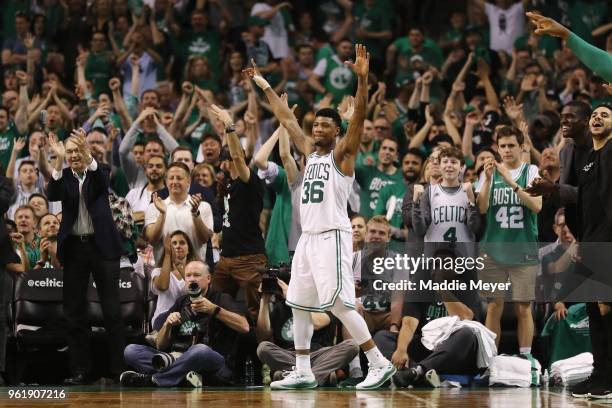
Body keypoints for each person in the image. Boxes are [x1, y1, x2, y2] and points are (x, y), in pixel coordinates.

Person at [247, 44, 396, 390]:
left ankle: (378, 362)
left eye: (326, 126)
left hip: (333, 237)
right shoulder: (309, 154)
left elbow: (357, 119)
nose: (317, 130)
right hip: (308, 240)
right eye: (316, 125)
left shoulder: (342, 155)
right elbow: (286, 119)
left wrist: (362, 83)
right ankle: (302, 369)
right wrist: (263, 83)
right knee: (298, 304)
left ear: (336, 131)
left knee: (342, 306)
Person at [46, 129, 125, 385]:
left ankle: (119, 370)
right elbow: (53, 194)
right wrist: (57, 160)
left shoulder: (97, 172)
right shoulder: (64, 176)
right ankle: (81, 370)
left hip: (102, 247)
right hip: (75, 249)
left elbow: (102, 182)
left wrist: (88, 154)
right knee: (74, 313)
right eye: (68, 152)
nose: (72, 156)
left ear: (85, 152)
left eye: (76, 151)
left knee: (112, 311)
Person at [120, 261, 250, 387]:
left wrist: (214, 310)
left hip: (214, 363)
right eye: (188, 275)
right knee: (131, 351)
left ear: (208, 278)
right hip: (179, 358)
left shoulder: (221, 298)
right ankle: (181, 377)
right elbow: (160, 345)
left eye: (197, 275)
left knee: (200, 350)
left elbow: (244, 327)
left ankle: (153, 379)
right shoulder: (181, 302)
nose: (192, 279)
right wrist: (167, 325)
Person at [476, 125, 542, 356]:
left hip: (523, 249)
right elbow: (482, 208)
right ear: (497, 147)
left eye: (511, 145)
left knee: (524, 307)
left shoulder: (531, 171)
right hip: (494, 251)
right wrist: (486, 180)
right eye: (502, 146)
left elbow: (537, 205)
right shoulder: (491, 173)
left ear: (520, 146)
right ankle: (490, 359)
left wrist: (510, 181)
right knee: (494, 306)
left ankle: (525, 357)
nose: (506, 150)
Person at [207, 106, 267, 321]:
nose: (222, 163)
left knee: (257, 311)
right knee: (213, 304)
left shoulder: (249, 181)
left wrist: (229, 126)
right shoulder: (226, 187)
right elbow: (230, 221)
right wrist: (219, 235)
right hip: (226, 258)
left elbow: (238, 158)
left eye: (227, 158)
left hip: (249, 260)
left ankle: (260, 351)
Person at [570, 104, 612, 399]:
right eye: (595, 115)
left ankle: (609, 379)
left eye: (605, 114)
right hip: (591, 242)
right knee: (594, 311)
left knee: (607, 309)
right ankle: (600, 373)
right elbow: (583, 204)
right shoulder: (587, 158)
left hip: (609, 240)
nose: (597, 118)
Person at [255, 276, 359, 386]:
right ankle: (318, 376)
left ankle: (292, 376)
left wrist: (292, 298)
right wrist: (264, 301)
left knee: (352, 345)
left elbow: (315, 323)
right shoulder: (280, 307)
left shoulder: (324, 304)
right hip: (291, 355)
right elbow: (263, 335)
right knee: (263, 348)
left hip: (320, 355)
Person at [144, 162, 213, 263]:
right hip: (164, 270)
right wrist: (162, 214)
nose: (175, 181)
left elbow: (205, 238)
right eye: (171, 178)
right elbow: (152, 239)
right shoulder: (154, 207)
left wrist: (195, 213)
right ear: (166, 181)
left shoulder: (203, 206)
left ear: (188, 181)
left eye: (179, 178)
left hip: (194, 270)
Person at [526, 12, 612, 82]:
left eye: (567, 46)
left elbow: (605, 64)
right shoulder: (561, 68)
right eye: (563, 46)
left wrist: (565, 34)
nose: (565, 50)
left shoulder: (585, 68)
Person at [150, 230, 201, 331]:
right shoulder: (157, 271)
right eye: (174, 243)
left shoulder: (197, 272)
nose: (178, 246)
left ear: (189, 249)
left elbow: (196, 294)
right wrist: (168, 255)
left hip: (187, 318)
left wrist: (179, 266)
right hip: (162, 320)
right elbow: (163, 286)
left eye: (182, 243)